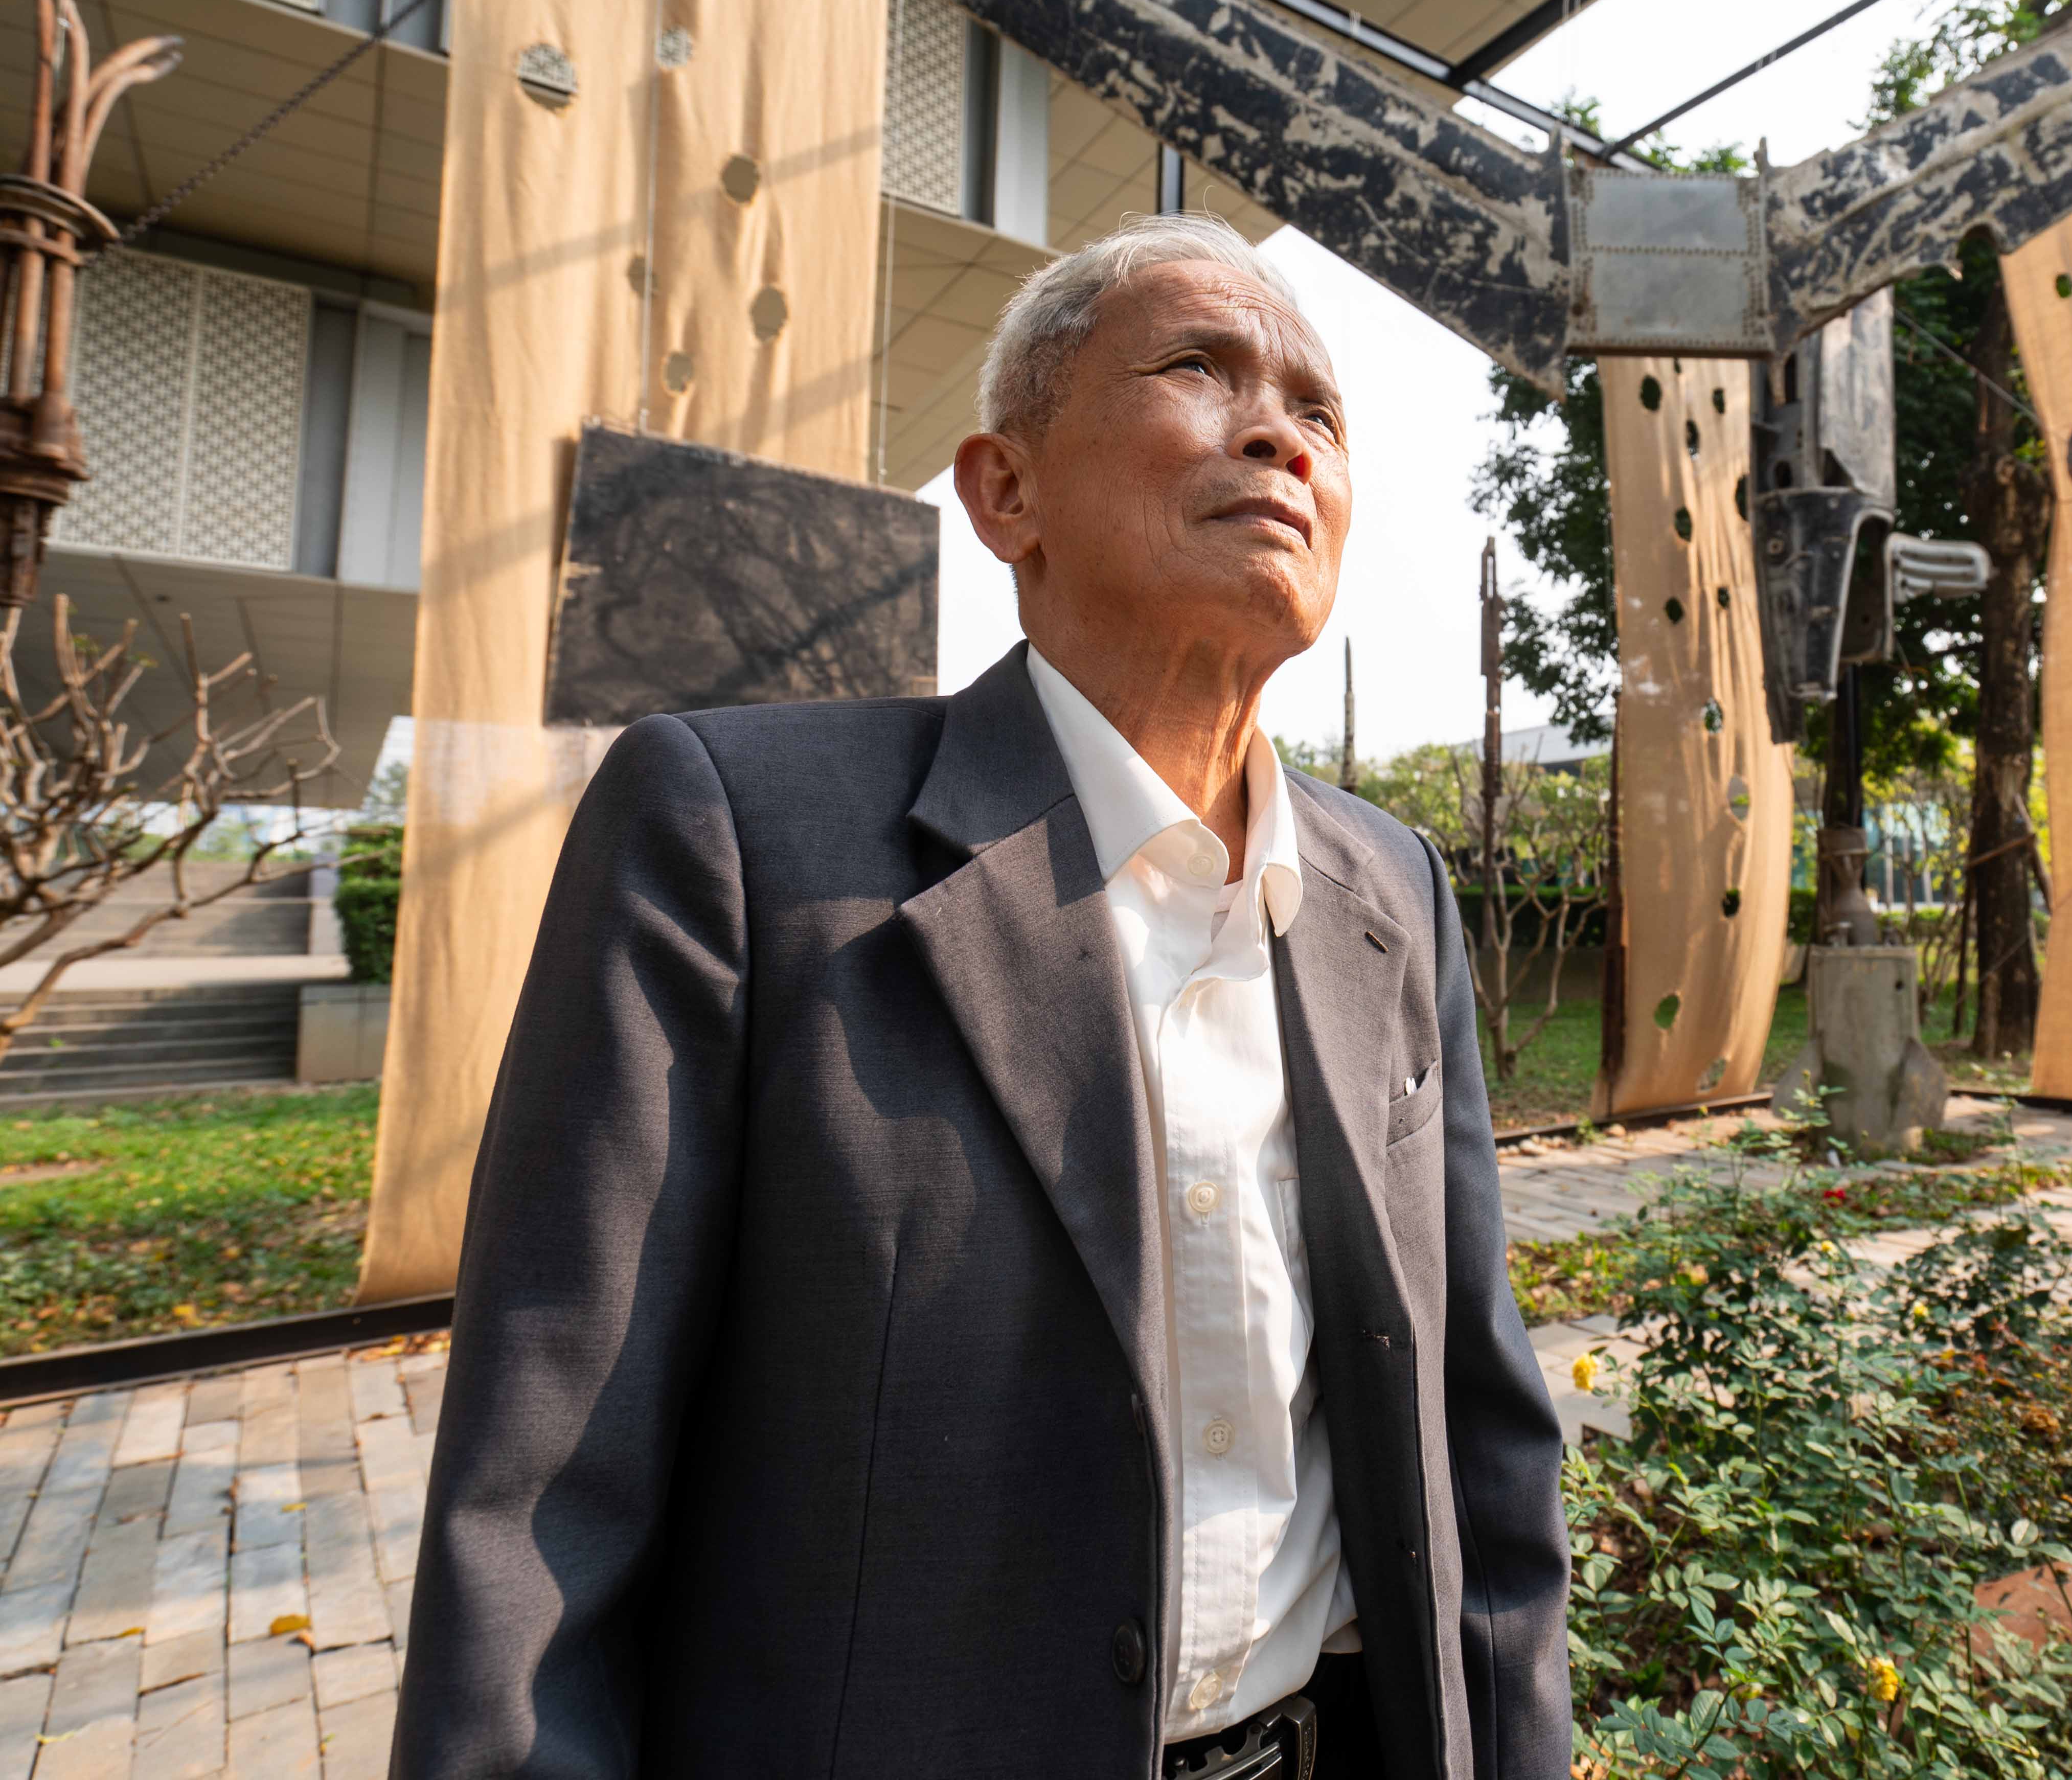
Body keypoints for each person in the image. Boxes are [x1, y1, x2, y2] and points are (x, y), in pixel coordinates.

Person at [391, 213, 1572, 1779]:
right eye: (1200, 367)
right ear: (1006, 490)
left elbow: (1478, 1423)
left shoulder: (1392, 890)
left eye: (1319, 411)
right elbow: (543, 1506)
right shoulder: (738, 838)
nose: (1281, 434)